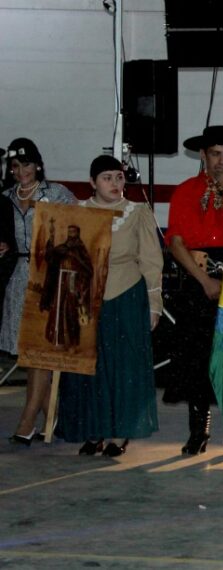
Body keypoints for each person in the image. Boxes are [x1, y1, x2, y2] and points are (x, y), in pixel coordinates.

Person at [56, 155, 162, 456]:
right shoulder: (78, 212)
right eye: (107, 178)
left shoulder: (137, 212)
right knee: (92, 368)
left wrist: (154, 304)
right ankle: (95, 430)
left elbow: (152, 261)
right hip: (87, 301)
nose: (115, 183)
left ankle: (120, 433)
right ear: (92, 183)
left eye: (119, 177)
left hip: (127, 295)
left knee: (124, 367)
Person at [160, 126, 223, 455]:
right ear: (203, 156)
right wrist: (203, 280)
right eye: (215, 154)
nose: (222, 161)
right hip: (197, 276)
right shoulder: (185, 192)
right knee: (197, 357)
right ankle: (199, 428)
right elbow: (176, 242)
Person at [4, 138, 77, 446]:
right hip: (18, 276)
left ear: (39, 165)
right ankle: (55, 418)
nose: (22, 171)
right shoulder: (5, 197)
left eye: (28, 165)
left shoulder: (57, 193)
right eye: (16, 166)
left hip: (50, 276)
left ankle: (26, 421)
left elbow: (80, 231)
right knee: (30, 353)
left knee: (41, 352)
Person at [40, 222, 94, 350]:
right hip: (60, 280)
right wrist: (51, 239)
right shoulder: (62, 248)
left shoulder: (81, 250)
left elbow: (88, 269)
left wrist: (81, 286)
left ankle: (72, 342)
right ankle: (58, 339)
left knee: (71, 309)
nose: (71, 235)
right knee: (57, 307)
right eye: (69, 232)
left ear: (78, 234)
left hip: (73, 281)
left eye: (73, 232)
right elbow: (50, 257)